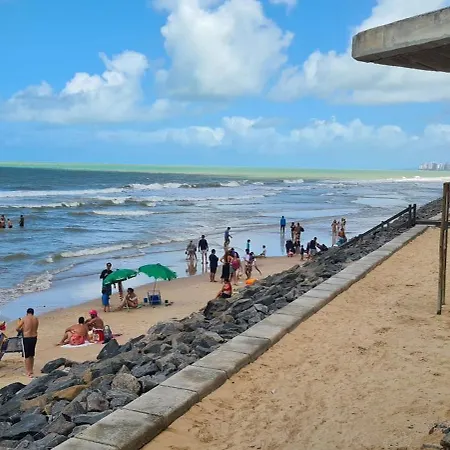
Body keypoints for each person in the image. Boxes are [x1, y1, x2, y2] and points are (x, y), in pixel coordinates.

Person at [16, 308, 39, 377]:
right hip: (34, 337)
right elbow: (35, 328)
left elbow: (17, 328)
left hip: (27, 338)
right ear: (33, 313)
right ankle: (31, 370)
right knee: (32, 355)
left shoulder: (24, 318)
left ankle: (28, 372)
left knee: (27, 356)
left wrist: (22, 329)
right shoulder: (36, 319)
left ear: (27, 313)